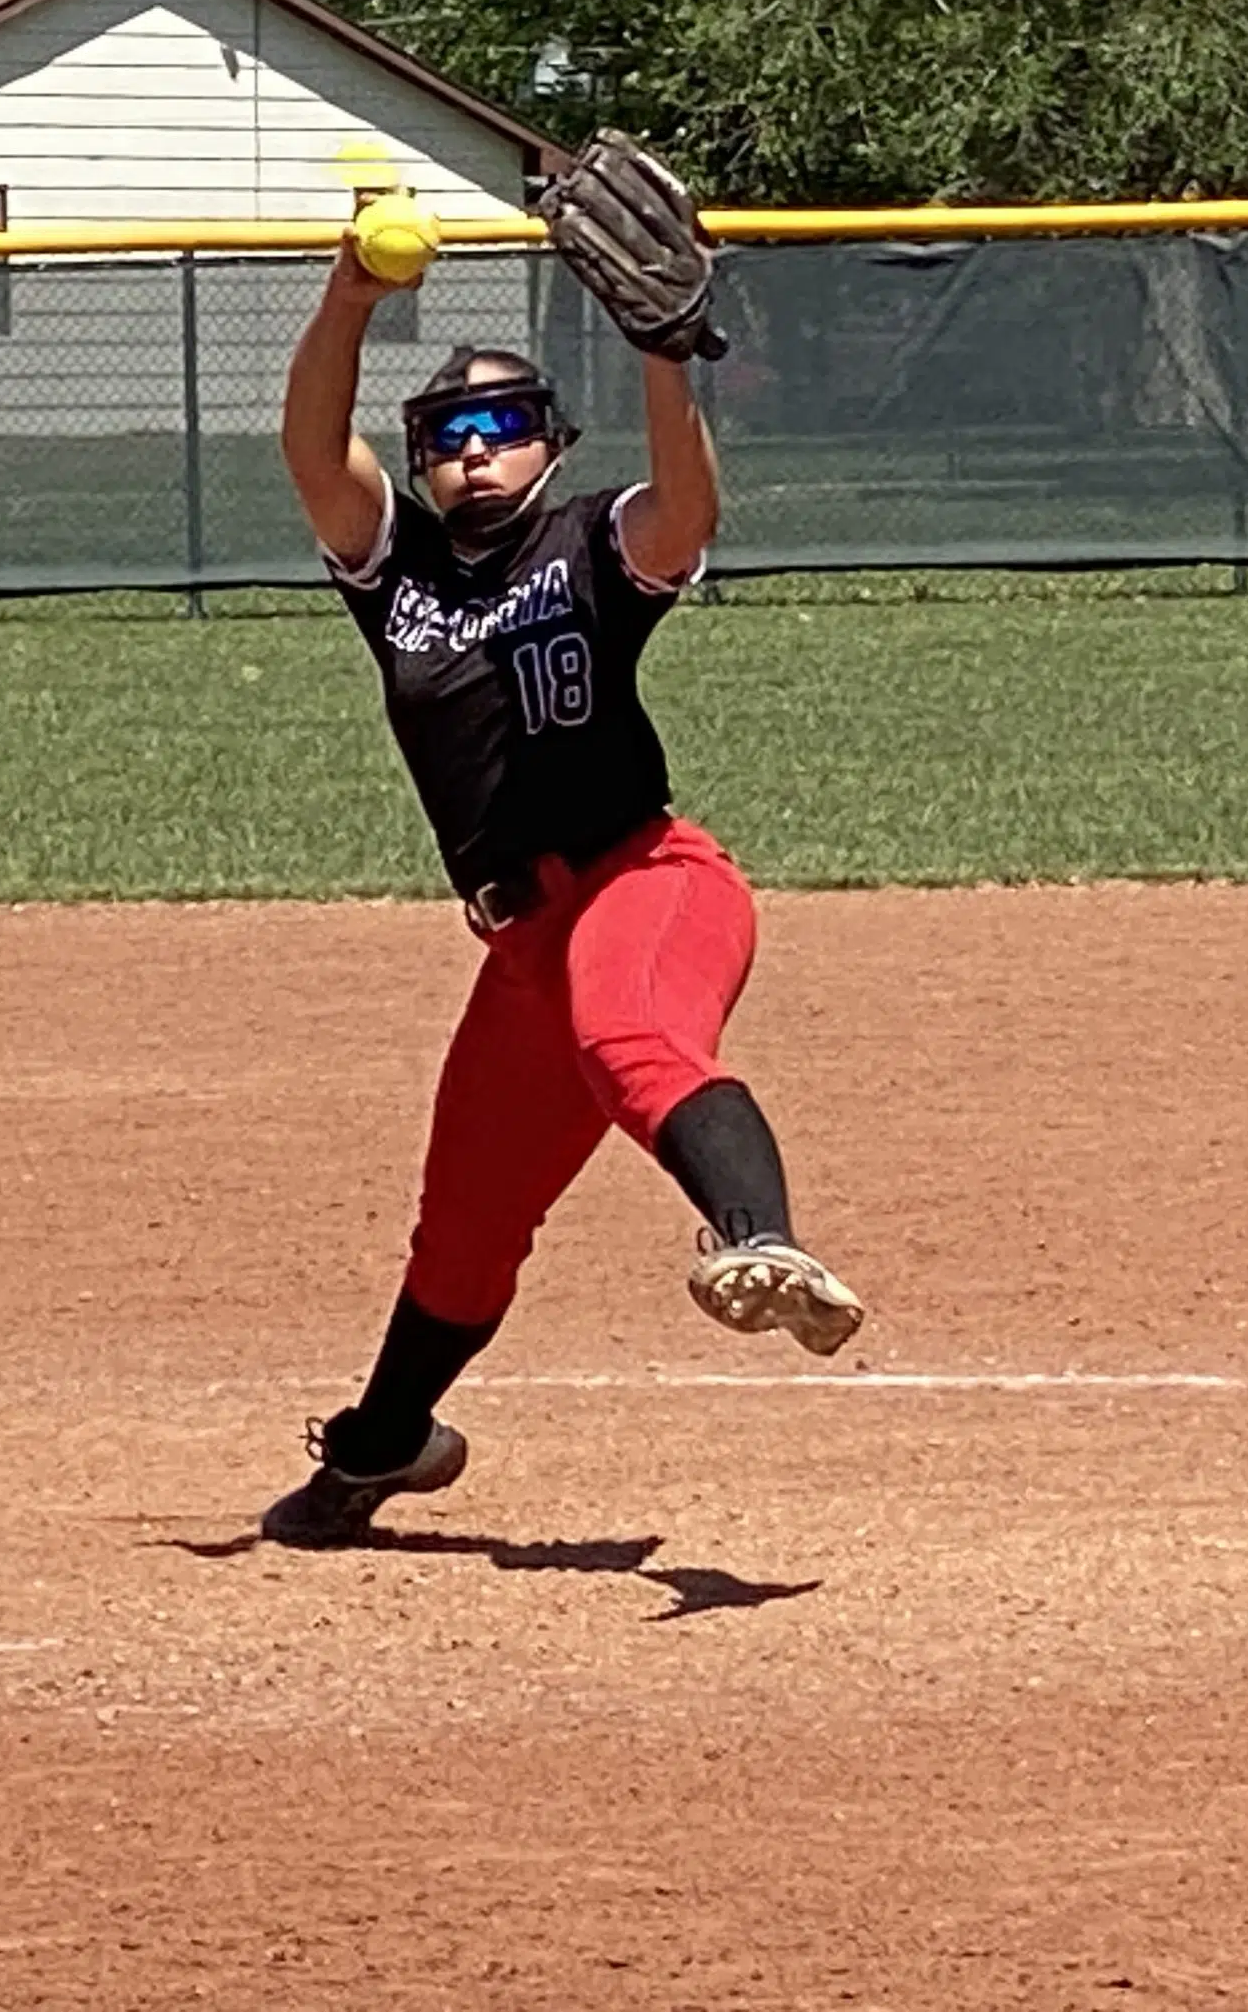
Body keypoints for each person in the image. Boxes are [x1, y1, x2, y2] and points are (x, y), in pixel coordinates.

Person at [261, 142, 865, 1548]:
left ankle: (758, 1241)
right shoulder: (397, 573)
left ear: (551, 443)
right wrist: (350, 292)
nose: (475, 449)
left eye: (507, 422)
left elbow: (692, 508)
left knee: (636, 1044)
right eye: (448, 435)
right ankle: (380, 1447)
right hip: (517, 944)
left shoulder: (592, 543)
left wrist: (664, 351)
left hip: (646, 883)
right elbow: (306, 447)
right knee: (462, 1227)